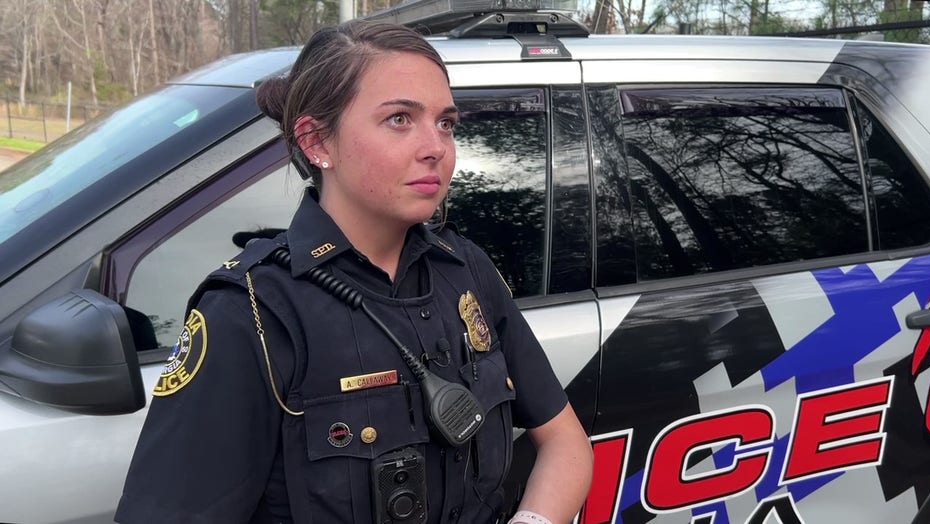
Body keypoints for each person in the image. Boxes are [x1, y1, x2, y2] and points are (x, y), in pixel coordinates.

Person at [115, 20, 592, 524]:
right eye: (400, 119)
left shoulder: (466, 269)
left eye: (445, 122)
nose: (436, 146)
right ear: (318, 141)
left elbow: (565, 442)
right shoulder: (251, 312)